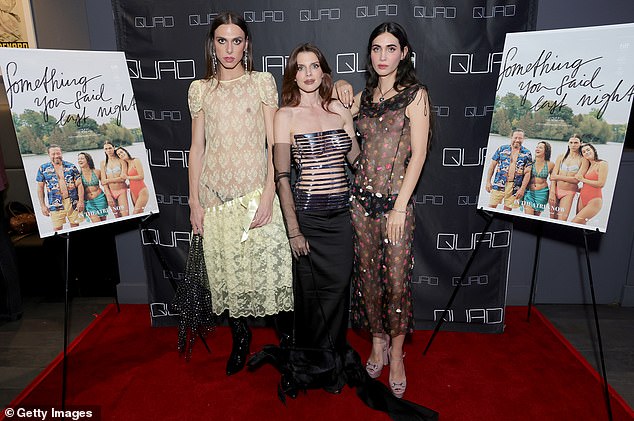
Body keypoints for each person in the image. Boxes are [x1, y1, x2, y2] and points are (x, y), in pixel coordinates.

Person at [187, 11, 292, 376]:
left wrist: (269, 194)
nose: (229, 49)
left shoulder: (261, 82)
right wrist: (193, 201)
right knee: (227, 276)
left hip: (254, 194)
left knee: (272, 275)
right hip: (214, 199)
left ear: (246, 44)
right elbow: (196, 148)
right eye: (222, 40)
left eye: (236, 40)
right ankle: (241, 339)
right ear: (212, 45)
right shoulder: (200, 90)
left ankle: (290, 347)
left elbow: (274, 142)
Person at [336, 22, 431, 399]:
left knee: (395, 281)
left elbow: (419, 155)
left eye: (391, 49)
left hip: (396, 205)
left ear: (404, 53)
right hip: (360, 203)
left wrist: (399, 207)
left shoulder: (415, 95)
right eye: (376, 48)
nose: (382, 56)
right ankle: (376, 342)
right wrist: (341, 96)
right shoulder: (362, 98)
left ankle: (396, 352)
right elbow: (355, 155)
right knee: (368, 281)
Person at [269, 43, 360, 394]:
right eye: (300, 67)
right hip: (307, 217)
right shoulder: (285, 116)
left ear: (323, 71)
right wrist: (293, 230)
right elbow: (281, 177)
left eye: (314, 66)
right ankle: (308, 366)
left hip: (341, 218)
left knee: (337, 294)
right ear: (292, 74)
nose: (307, 73)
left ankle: (332, 362)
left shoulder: (339, 109)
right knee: (309, 297)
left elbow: (355, 160)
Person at [36, 145, 84, 231]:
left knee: (75, 226)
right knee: (57, 229)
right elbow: (40, 188)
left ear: (61, 153)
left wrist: (81, 201)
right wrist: (43, 206)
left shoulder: (71, 166)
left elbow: (79, 185)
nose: (56, 156)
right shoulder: (43, 169)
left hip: (72, 202)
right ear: (49, 155)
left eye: (58, 153)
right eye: (53, 154)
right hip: (55, 203)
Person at [485, 129, 532, 211]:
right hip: (498, 183)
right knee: (491, 208)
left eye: (520, 138)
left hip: (514, 187)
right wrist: (488, 182)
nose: (517, 140)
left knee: (507, 210)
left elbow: (528, 173)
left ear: (523, 139)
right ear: (511, 137)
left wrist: (522, 189)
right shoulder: (502, 149)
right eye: (515, 137)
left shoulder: (527, 153)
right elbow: (492, 166)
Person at [549, 134, 587, 221]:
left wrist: (558, 176)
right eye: (571, 142)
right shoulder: (561, 157)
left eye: (576, 143)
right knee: (551, 219)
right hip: (555, 190)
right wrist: (552, 191)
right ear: (568, 143)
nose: (573, 145)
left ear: (581, 143)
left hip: (568, 193)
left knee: (562, 220)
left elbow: (576, 180)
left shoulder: (583, 160)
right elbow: (553, 177)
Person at [572, 143, 608, 225]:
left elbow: (601, 184)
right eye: (584, 152)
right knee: (580, 225)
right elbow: (587, 185)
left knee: (573, 223)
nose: (586, 152)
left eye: (588, 150)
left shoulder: (602, 164)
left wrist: (583, 179)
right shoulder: (588, 166)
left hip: (594, 200)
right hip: (582, 198)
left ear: (593, 150)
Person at [522, 141, 554, 217]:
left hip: (542, 193)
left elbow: (553, 180)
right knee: (528, 216)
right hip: (529, 192)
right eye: (537, 147)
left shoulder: (550, 164)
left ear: (546, 151)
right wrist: (524, 172)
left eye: (540, 147)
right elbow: (520, 174)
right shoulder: (530, 162)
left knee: (536, 217)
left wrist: (552, 194)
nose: (537, 149)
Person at [100, 141, 129, 218]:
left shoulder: (121, 160)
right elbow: (103, 181)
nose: (108, 150)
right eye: (106, 149)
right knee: (117, 216)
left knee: (125, 215)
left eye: (110, 148)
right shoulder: (103, 163)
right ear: (104, 150)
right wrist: (108, 195)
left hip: (121, 191)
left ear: (114, 148)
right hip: (110, 192)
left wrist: (108, 180)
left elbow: (123, 179)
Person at [116, 147, 149, 214]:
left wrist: (127, 177)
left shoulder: (135, 160)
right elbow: (124, 177)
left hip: (142, 190)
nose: (121, 154)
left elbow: (141, 176)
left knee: (135, 212)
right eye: (119, 154)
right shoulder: (126, 165)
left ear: (126, 151)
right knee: (139, 213)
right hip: (132, 191)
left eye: (121, 152)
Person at [77, 152, 108, 222]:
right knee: (96, 222)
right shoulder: (78, 175)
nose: (79, 160)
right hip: (88, 202)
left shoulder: (97, 171)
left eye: (82, 158)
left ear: (88, 160)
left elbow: (105, 184)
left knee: (103, 222)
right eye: (78, 159)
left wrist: (109, 196)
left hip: (100, 199)